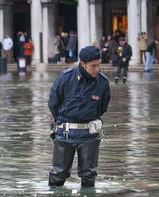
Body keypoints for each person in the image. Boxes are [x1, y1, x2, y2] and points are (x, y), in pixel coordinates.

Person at [48, 46, 111, 188]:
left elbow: (103, 107)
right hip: (66, 132)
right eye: (93, 66)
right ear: (83, 64)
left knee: (89, 176)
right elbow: (53, 104)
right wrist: (62, 121)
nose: (97, 69)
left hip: (89, 133)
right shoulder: (65, 78)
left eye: (99, 65)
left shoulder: (102, 82)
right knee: (58, 174)